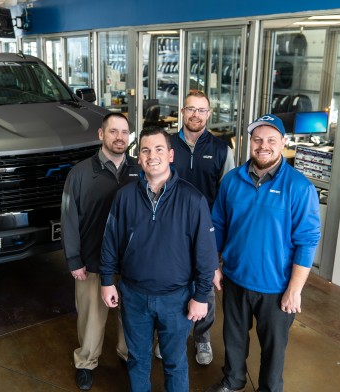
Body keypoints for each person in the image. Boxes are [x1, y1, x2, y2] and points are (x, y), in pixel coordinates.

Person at [206, 114, 321, 392]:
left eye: (271, 140)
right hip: (235, 278)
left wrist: (295, 289)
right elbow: (218, 225)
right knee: (233, 338)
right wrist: (214, 265)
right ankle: (233, 380)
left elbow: (307, 240)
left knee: (273, 347)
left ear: (283, 142)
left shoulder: (299, 187)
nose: (263, 145)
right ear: (249, 142)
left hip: (277, 286)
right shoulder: (232, 181)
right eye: (257, 139)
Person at [100, 126, 218, 392]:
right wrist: (107, 280)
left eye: (158, 149)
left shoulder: (192, 199)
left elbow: (207, 254)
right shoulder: (124, 197)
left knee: (175, 362)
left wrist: (201, 296)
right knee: (138, 359)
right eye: (145, 150)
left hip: (177, 299)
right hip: (134, 296)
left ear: (171, 155)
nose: (152, 155)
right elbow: (110, 241)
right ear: (139, 158)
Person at [155, 89, 235, 365]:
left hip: (206, 236)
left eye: (202, 110)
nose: (196, 115)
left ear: (209, 114)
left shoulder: (223, 150)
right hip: (170, 233)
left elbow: (227, 201)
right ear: (182, 111)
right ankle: (169, 337)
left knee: (205, 292)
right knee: (170, 288)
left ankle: (201, 337)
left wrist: (220, 246)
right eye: (191, 109)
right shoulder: (165, 145)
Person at [61, 112, 140, 391]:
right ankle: (86, 362)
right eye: (113, 131)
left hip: (131, 263)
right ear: (101, 135)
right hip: (92, 261)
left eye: (124, 132)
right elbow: (68, 218)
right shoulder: (80, 173)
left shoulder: (139, 169)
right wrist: (74, 259)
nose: (120, 137)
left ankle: (128, 355)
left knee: (131, 316)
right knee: (91, 317)